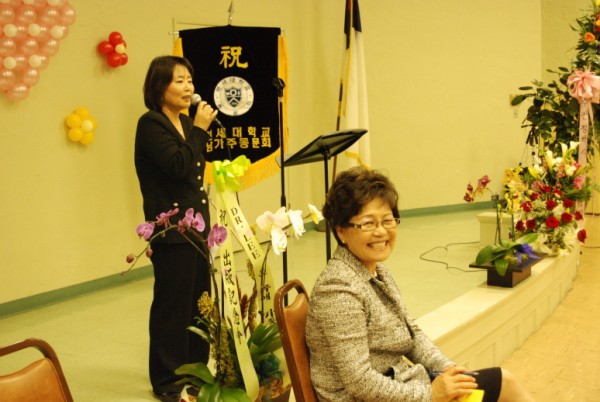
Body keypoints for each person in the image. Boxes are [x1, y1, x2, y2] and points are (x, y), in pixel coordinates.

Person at [305, 167, 535, 402]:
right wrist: (431, 394)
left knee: (500, 382)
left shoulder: (377, 270)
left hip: (401, 387)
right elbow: (360, 382)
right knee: (503, 383)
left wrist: (449, 370)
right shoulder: (337, 289)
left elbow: (411, 333)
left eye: (387, 220)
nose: (381, 231)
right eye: (368, 223)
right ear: (341, 231)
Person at [135, 55, 219, 402]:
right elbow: (177, 167)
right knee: (173, 307)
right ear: (160, 87)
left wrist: (197, 130)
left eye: (190, 80)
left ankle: (196, 371)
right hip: (172, 231)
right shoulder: (151, 124)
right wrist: (199, 130)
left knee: (199, 303)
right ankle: (167, 380)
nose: (189, 87)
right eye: (179, 81)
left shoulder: (185, 121)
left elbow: (195, 169)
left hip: (197, 228)